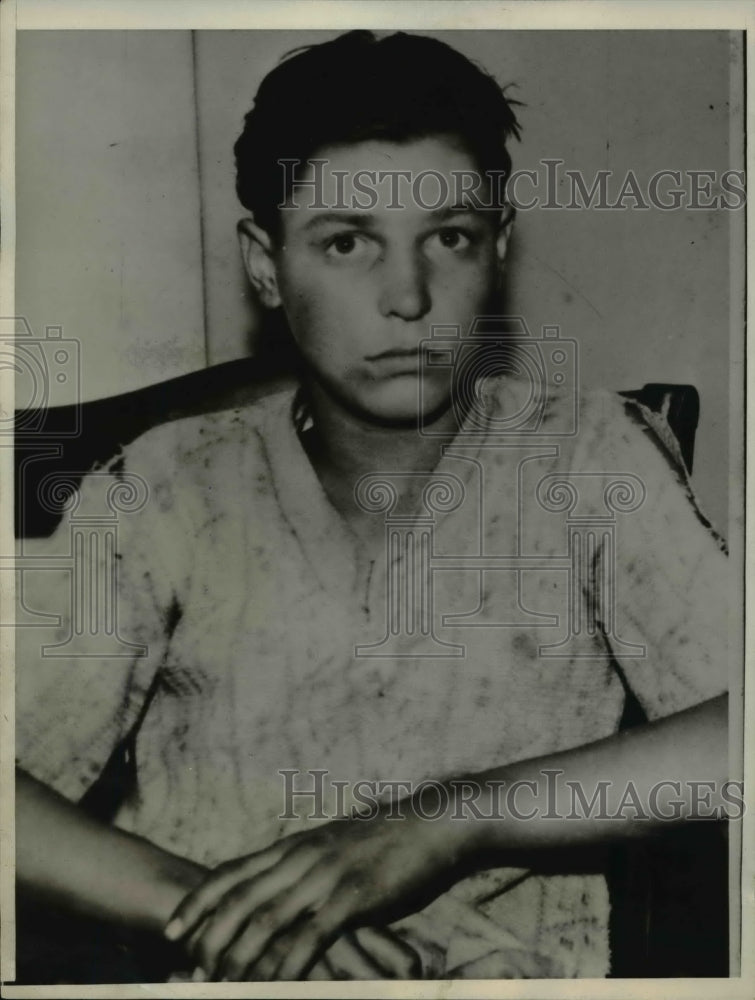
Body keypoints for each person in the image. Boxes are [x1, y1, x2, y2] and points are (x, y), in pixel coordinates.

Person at [16, 30, 731, 982]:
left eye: (450, 237)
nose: (409, 296)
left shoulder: (586, 454)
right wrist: (233, 918)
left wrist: (450, 820)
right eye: (347, 241)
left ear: (499, 250)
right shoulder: (168, 483)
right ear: (266, 266)